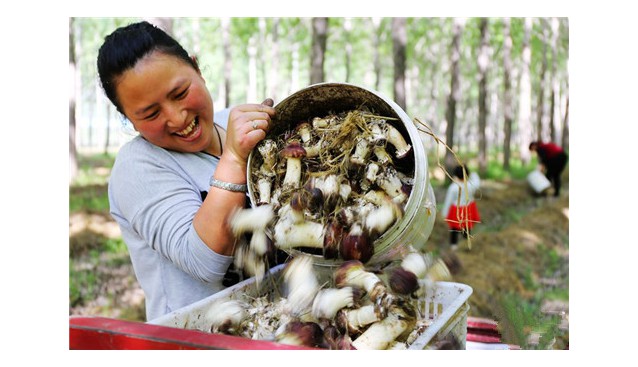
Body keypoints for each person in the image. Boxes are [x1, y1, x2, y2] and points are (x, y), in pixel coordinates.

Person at [97, 21, 277, 321]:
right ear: (130, 120)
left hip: (279, 324)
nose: (177, 118)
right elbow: (204, 262)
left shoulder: (231, 121)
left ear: (197, 69)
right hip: (196, 340)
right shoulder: (138, 166)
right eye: (151, 114)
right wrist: (233, 159)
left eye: (180, 93)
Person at [440, 165, 481, 250]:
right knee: (467, 227)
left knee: (454, 229)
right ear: (467, 175)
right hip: (468, 209)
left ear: (455, 175)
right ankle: (467, 243)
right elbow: (477, 181)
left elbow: (449, 201)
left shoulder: (453, 187)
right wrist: (473, 173)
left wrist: (444, 213)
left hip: (457, 211)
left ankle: (454, 246)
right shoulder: (471, 185)